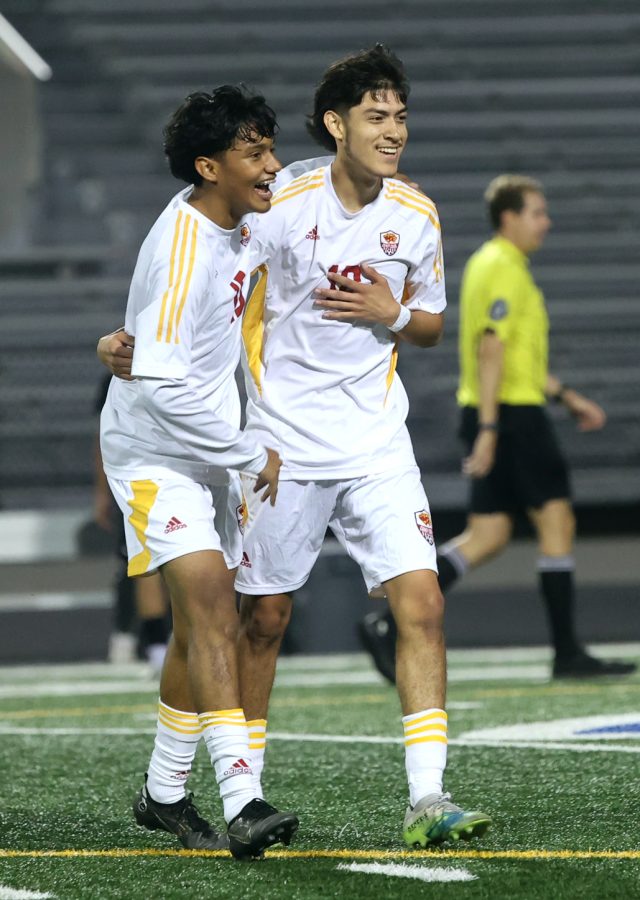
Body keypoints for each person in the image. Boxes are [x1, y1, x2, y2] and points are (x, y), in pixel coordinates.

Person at [99, 46, 492, 849]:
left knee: (422, 602)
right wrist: (135, 344)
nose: (394, 131)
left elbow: (431, 326)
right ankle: (222, 787)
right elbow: (199, 270)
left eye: (402, 116)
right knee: (261, 618)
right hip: (276, 440)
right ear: (337, 123)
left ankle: (427, 799)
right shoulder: (279, 202)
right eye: (377, 116)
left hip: (377, 439)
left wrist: (390, 310)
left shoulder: (416, 214)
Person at [99, 85, 299, 860]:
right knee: (215, 606)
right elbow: (159, 382)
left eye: (270, 149)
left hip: (211, 450)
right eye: (256, 154)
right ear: (208, 167)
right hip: (155, 451)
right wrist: (248, 451)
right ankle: (244, 800)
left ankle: (164, 794)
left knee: (200, 626)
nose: (273, 167)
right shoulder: (182, 246)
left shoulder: (239, 219)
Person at [361, 174, 637, 683]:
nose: (545, 223)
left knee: (489, 535)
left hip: (505, 407)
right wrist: (490, 428)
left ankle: (385, 619)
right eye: (537, 212)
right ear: (509, 217)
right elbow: (492, 349)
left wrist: (567, 396)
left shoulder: (500, 266)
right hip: (511, 415)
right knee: (557, 522)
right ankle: (568, 652)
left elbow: (514, 355)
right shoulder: (504, 267)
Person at [94, 373, 171, 671]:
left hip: (186, 464)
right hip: (138, 470)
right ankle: (157, 647)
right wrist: (102, 491)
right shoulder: (123, 354)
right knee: (145, 561)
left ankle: (175, 643)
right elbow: (103, 432)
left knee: (190, 558)